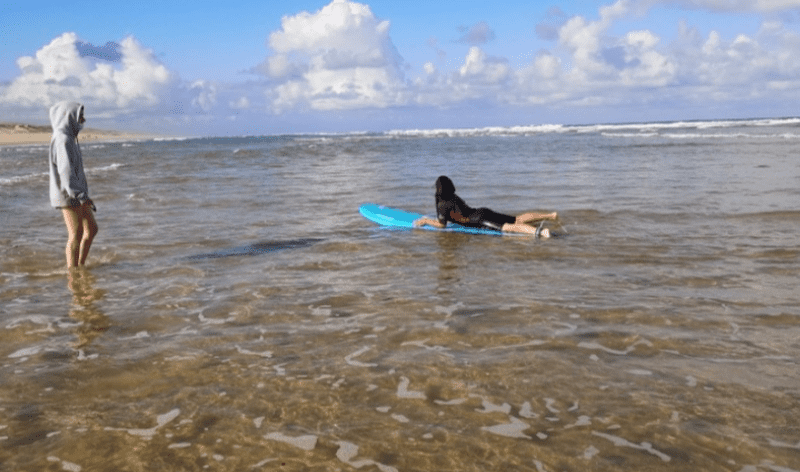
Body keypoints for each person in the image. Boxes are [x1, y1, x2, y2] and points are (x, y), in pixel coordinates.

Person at [413, 175, 557, 236]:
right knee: (516, 219)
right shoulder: (453, 196)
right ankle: (550, 215)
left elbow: (441, 225)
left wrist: (426, 220)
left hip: (479, 220)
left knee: (507, 227)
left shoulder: (442, 203)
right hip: (482, 211)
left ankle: (540, 232)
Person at [48, 101, 98, 269]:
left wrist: (82, 194)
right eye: (80, 115)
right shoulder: (63, 139)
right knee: (75, 234)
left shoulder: (69, 137)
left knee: (91, 229)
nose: (83, 119)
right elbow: (65, 171)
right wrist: (80, 196)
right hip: (68, 193)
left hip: (76, 192)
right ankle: (72, 273)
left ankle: (80, 266)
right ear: (69, 116)